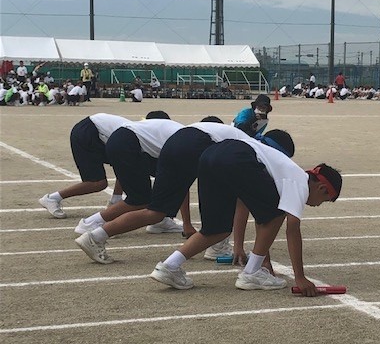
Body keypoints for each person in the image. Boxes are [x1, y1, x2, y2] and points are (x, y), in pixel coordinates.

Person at [73, 121, 293, 265]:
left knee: (156, 211)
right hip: (196, 146)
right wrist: (249, 251)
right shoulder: (251, 151)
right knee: (219, 211)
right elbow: (243, 202)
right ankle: (216, 246)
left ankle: (96, 236)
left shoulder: (236, 138)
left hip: (178, 144)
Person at [150, 139, 342, 295]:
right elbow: (292, 229)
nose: (317, 205)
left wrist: (262, 257)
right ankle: (251, 274)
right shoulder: (299, 182)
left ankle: (169, 266)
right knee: (276, 214)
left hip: (212, 155)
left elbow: (249, 207)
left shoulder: (277, 173)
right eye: (323, 200)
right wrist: (299, 277)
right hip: (237, 156)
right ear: (322, 188)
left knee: (216, 229)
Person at [74, 116, 188, 262]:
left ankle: (160, 222)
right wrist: (187, 224)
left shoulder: (185, 134)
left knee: (147, 199)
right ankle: (91, 226)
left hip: (121, 140)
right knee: (141, 201)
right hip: (127, 144)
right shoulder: (189, 144)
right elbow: (182, 182)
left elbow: (176, 182)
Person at [38, 112, 134, 219]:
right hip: (90, 132)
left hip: (95, 129)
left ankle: (115, 200)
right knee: (97, 183)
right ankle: (52, 198)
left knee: (127, 165)